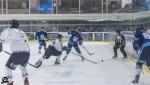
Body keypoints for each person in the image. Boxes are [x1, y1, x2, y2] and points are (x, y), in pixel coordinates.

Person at [0, 20, 30, 85]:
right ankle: (26, 81)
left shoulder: (10, 30)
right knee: (23, 67)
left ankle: (10, 82)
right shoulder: (22, 32)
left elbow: (3, 35)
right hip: (27, 53)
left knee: (7, 68)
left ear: (11, 25)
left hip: (17, 54)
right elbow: (27, 41)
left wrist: (0, 43)